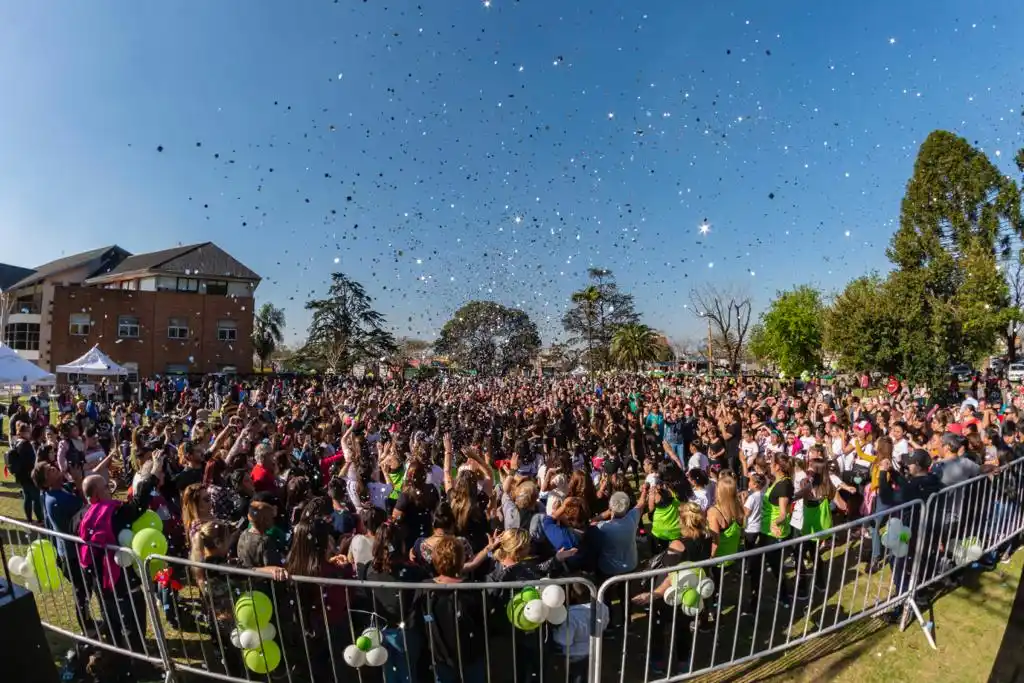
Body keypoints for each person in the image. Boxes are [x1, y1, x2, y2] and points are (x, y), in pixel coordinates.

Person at [8, 422, 43, 522]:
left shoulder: (16, 442)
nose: (30, 433)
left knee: (27, 498)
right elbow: (30, 462)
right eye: (28, 431)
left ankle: (29, 519)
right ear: (23, 433)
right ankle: (40, 519)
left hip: (21, 476)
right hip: (29, 476)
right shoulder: (25, 444)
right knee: (36, 499)